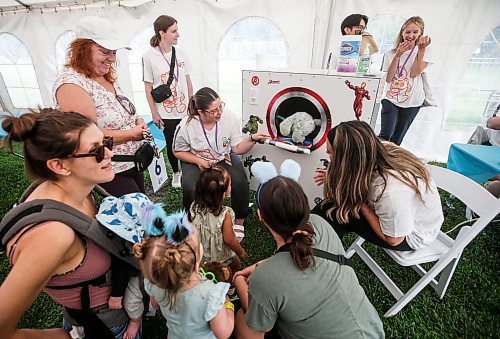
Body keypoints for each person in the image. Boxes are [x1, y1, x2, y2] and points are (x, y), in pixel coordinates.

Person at [0, 108, 140, 338]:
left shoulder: (79, 188)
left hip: (113, 313)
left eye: (106, 142)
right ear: (59, 166)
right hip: (101, 327)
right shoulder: (52, 236)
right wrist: (61, 336)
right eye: (96, 151)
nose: (109, 154)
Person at [233, 160, 384, 339]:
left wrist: (238, 280)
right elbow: (299, 256)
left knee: (243, 318)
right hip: (372, 332)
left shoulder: (266, 279)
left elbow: (260, 326)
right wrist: (260, 267)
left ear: (260, 216)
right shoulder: (321, 224)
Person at [54, 16, 148, 196]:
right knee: (136, 216)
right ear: (81, 49)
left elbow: (120, 109)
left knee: (140, 210)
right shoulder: (71, 84)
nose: (112, 58)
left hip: (132, 162)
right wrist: (131, 134)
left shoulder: (104, 74)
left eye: (114, 52)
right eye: (105, 51)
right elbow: (85, 135)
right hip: (107, 168)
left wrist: (136, 119)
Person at [312, 120, 444, 251]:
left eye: (330, 152)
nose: (328, 156)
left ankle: (319, 252)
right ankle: (317, 242)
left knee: (334, 212)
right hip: (402, 214)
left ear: (347, 160)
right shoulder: (373, 149)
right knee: (333, 207)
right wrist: (339, 177)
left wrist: (362, 206)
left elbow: (393, 239)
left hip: (409, 235)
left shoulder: (390, 191)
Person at [173, 87, 269, 232]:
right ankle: (192, 221)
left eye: (220, 107)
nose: (219, 113)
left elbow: (236, 148)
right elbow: (177, 151)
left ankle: (239, 221)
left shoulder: (229, 117)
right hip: (196, 159)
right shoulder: (186, 125)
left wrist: (252, 139)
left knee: (240, 181)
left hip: (222, 156)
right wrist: (199, 161)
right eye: (214, 111)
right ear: (201, 112)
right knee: (189, 187)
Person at [133, 206, 235, 338]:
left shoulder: (158, 284)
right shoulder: (211, 294)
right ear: (197, 262)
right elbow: (223, 333)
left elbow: (155, 305)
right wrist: (228, 305)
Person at [143, 15, 193, 188]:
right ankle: (176, 173)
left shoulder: (181, 53)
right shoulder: (148, 56)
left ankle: (188, 171)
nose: (178, 34)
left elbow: (187, 79)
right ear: (162, 33)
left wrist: (191, 103)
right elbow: (148, 87)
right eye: (174, 31)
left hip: (184, 109)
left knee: (187, 141)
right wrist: (154, 112)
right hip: (165, 111)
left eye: (177, 30)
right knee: (172, 142)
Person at [378, 16, 432, 146]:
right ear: (402, 33)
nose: (411, 35)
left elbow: (414, 73)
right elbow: (389, 79)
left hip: (412, 100)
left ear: (421, 34)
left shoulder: (425, 51)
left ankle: (390, 164)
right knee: (385, 135)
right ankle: (374, 161)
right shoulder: (390, 53)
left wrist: (421, 50)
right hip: (391, 97)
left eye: (415, 32)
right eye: (408, 32)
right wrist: (398, 55)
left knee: (397, 139)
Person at [189, 166, 249, 273]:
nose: (231, 186)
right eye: (229, 185)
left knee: (207, 273)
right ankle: (229, 288)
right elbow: (229, 240)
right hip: (221, 257)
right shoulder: (225, 215)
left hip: (201, 254)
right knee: (235, 266)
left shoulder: (194, 207)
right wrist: (241, 252)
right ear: (223, 193)